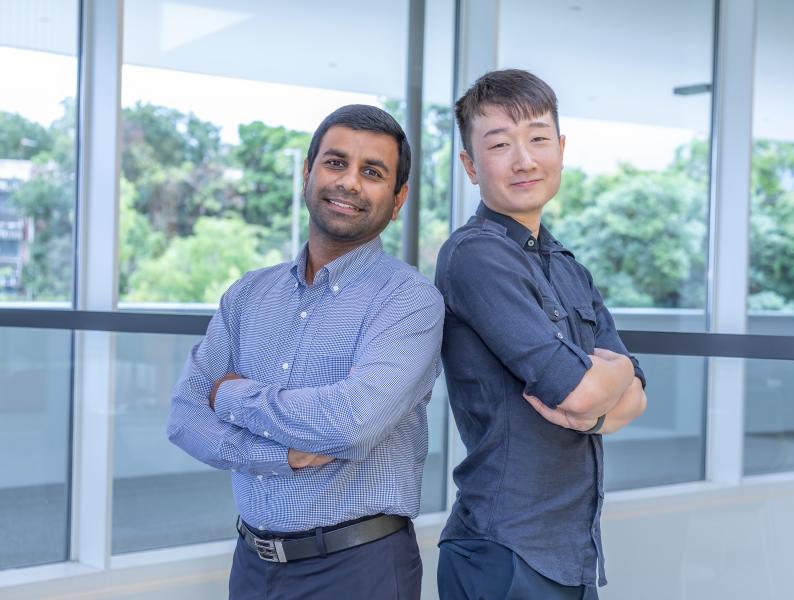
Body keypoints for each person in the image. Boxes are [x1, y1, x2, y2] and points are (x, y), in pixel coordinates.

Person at [166, 104, 444, 599]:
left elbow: (349, 424)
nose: (350, 183)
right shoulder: (248, 295)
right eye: (336, 163)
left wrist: (230, 396)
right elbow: (185, 417)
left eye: (372, 172)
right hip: (251, 566)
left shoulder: (409, 301)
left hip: (359, 571)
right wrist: (281, 455)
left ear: (398, 199)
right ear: (307, 174)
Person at [435, 69, 649, 599]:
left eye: (537, 138)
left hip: (571, 550)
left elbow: (636, 399)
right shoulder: (475, 255)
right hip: (506, 552)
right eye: (500, 144)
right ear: (470, 166)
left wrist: (604, 398)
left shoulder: (565, 265)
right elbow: (575, 390)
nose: (524, 159)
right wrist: (608, 383)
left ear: (561, 148)